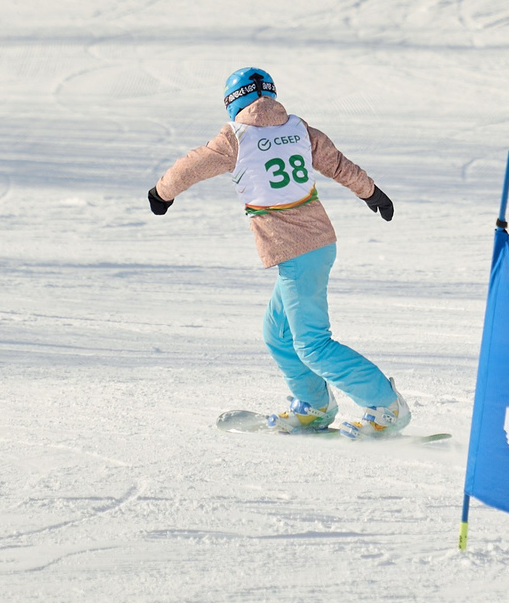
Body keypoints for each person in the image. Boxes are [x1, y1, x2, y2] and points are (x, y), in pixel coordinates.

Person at [148, 67, 409, 438]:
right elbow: (339, 165)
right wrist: (371, 193)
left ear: (232, 102)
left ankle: (387, 406)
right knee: (278, 335)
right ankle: (314, 405)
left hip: (300, 253)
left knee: (313, 345)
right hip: (312, 248)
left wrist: (161, 193)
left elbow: (192, 165)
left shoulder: (234, 138)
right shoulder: (299, 128)